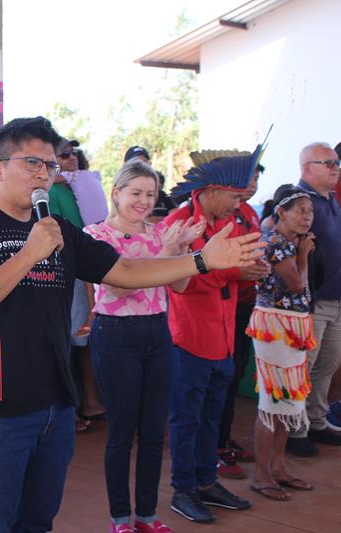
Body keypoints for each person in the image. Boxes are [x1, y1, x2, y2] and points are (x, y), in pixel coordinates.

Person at [0, 116, 265, 533]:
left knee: (38, 521)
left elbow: (124, 270)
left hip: (55, 404)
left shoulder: (59, 231)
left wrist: (202, 261)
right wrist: (28, 254)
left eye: (50, 166)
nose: (42, 174)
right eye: (31, 163)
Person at [85, 160, 205, 533]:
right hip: (116, 335)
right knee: (122, 432)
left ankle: (148, 516)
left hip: (157, 333)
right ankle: (120, 518)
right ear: (116, 193)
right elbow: (120, 285)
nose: (143, 201)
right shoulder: (96, 235)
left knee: (155, 432)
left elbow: (179, 287)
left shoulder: (160, 234)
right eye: (135, 193)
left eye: (150, 194)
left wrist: (179, 253)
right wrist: (167, 253)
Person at [165, 152, 269, 524]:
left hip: (225, 334)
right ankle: (184, 488)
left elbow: (237, 263)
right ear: (211, 191)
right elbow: (180, 281)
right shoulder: (180, 223)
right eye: (235, 197)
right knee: (187, 417)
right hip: (190, 337)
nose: (241, 204)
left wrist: (252, 270)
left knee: (213, 415)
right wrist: (233, 271)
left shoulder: (234, 220)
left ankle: (207, 481)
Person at [246, 186, 316, 501]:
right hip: (275, 325)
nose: (306, 216)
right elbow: (297, 282)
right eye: (300, 209)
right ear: (281, 213)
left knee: (288, 399)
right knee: (273, 403)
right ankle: (262, 475)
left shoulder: (288, 242)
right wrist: (303, 255)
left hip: (292, 325)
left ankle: (278, 467)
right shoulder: (274, 241)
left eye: (310, 211)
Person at [285, 142, 341, 456]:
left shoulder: (329, 200)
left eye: (336, 163)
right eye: (329, 162)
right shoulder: (300, 201)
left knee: (328, 364)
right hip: (312, 300)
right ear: (308, 167)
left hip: (335, 298)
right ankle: (296, 429)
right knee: (303, 366)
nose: (336, 167)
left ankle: (316, 419)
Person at [52, 137, 105, 429]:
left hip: (84, 270)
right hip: (68, 273)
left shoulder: (79, 189)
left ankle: (90, 402)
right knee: (69, 342)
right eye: (65, 154)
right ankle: (68, 409)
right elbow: (74, 236)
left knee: (82, 341)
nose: (72, 158)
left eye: (74, 153)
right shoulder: (55, 190)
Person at [216, 163, 264, 479]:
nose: (252, 184)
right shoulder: (218, 214)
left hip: (245, 303)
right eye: (248, 178)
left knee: (234, 375)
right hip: (220, 305)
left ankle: (224, 438)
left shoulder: (248, 211)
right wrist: (240, 272)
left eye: (257, 178)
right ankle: (214, 447)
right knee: (219, 379)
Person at [123, 145, 176, 221]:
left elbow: (176, 214)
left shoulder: (160, 194)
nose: (141, 166)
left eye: (145, 162)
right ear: (126, 166)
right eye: (136, 162)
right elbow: (139, 221)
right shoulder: (122, 193)